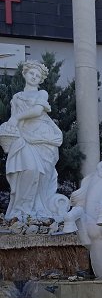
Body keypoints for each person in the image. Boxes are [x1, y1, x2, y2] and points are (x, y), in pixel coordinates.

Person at [0, 60, 67, 221]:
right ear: (24, 74)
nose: (34, 77)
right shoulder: (17, 97)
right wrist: (11, 126)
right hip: (23, 136)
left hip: (44, 138)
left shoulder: (42, 93)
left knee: (42, 175)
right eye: (31, 73)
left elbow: (37, 111)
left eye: (38, 75)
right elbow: (13, 121)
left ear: (41, 80)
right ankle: (20, 209)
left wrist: (16, 118)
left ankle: (38, 208)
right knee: (28, 169)